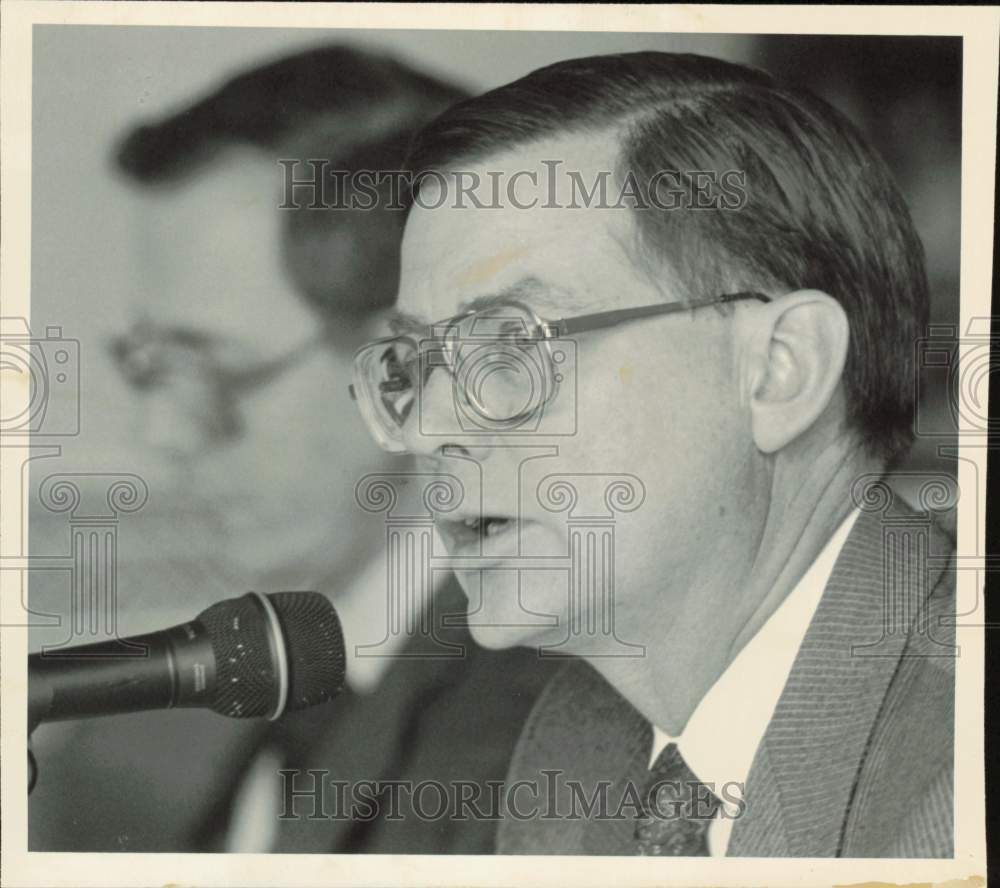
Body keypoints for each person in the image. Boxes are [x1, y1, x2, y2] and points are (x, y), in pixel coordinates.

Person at [348, 51, 956, 856]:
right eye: (414, 365)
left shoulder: (961, 760)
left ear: (780, 370)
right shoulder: (578, 742)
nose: (427, 429)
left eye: (508, 347)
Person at [29, 44, 558, 854]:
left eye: (215, 369)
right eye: (152, 365)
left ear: (406, 376)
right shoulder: (255, 683)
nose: (159, 436)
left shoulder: (543, 747)